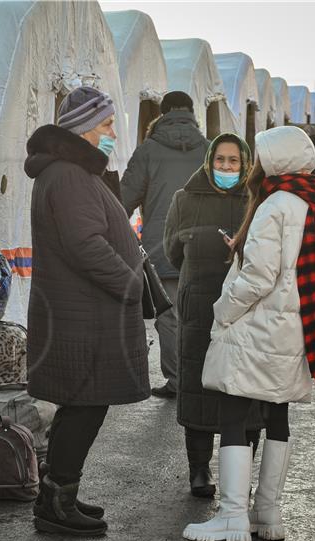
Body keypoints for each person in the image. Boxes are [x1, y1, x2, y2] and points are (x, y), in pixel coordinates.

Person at [182, 126, 315, 541]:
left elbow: (258, 276)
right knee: (276, 414)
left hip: (259, 327)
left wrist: (224, 310)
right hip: (295, 328)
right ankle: (267, 512)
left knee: (233, 412)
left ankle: (232, 515)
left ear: (272, 161)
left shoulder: (276, 204)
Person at [24, 86, 150, 536]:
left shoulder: (68, 172)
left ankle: (59, 495)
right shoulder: (70, 176)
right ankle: (58, 504)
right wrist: (130, 283)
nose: (113, 132)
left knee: (80, 405)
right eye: (106, 124)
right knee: (85, 406)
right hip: (87, 315)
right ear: (82, 128)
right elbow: (85, 244)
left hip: (82, 312)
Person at [163, 133, 264, 499]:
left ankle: (242, 473)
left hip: (245, 307)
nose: (226, 167)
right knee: (198, 382)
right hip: (199, 306)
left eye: (233, 161)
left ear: (245, 163)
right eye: (220, 160)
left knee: (245, 388)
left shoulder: (256, 199)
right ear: (209, 162)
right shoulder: (184, 199)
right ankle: (199, 469)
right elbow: (172, 250)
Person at [120, 91, 209, 398]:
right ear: (192, 113)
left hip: (162, 245)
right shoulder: (210, 150)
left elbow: (124, 201)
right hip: (207, 246)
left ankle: (177, 381)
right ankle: (204, 378)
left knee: (169, 316)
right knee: (203, 313)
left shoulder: (149, 150)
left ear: (163, 112)